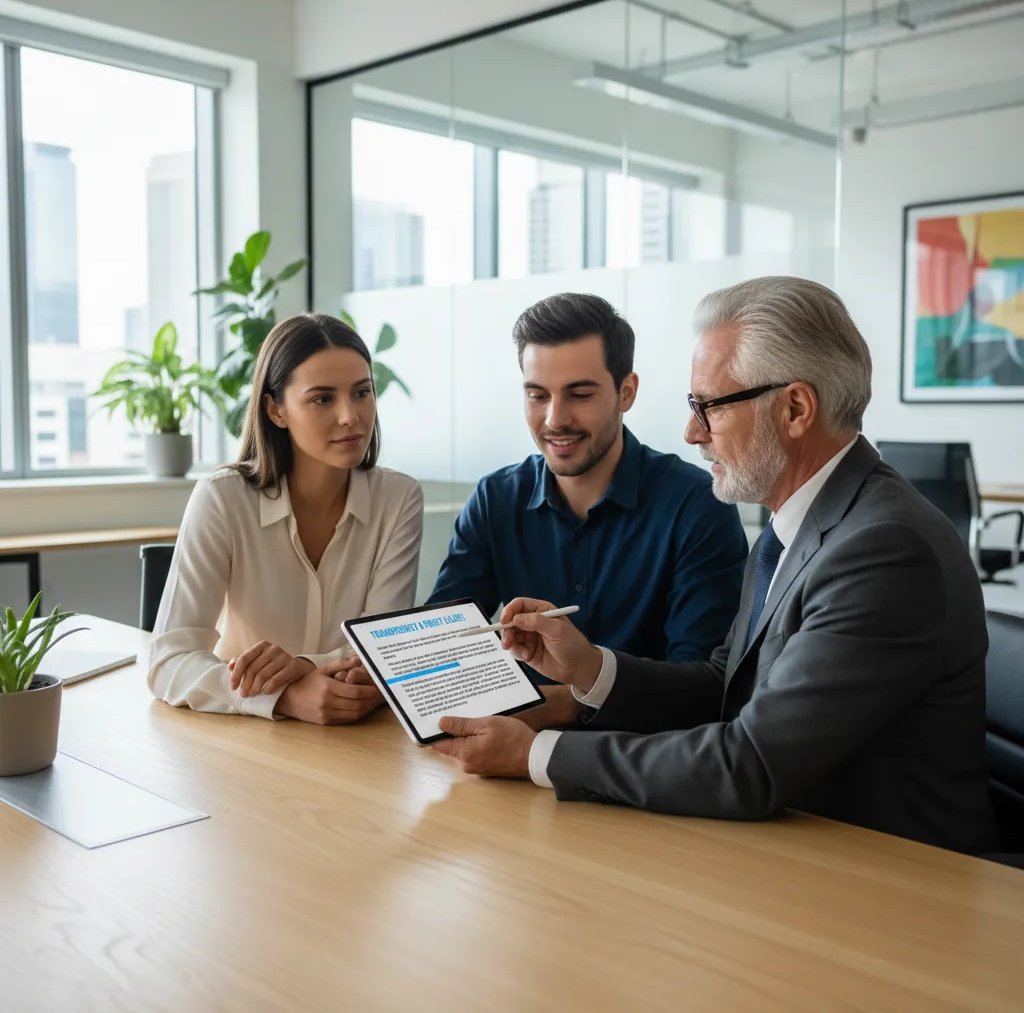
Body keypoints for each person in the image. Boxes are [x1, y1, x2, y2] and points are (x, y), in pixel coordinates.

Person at [432, 276, 997, 855]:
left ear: (795, 408)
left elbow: (750, 762)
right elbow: (720, 687)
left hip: (887, 872)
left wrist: (535, 754)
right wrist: (591, 668)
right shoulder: (798, 523)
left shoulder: (884, 549)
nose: (691, 432)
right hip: (789, 844)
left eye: (709, 407)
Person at [428, 292, 747, 704]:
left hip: (641, 743)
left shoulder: (697, 505)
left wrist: (554, 707)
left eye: (579, 394)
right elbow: (441, 641)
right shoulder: (495, 498)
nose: (555, 419)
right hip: (509, 734)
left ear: (626, 392)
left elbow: (703, 688)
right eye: (538, 395)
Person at [148, 313, 423, 724]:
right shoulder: (222, 498)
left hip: (355, 738)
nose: (351, 416)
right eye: (323, 399)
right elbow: (168, 663)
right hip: (239, 734)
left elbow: (384, 650)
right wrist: (285, 696)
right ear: (276, 410)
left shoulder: (399, 499)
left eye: (362, 392)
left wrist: (303, 666)